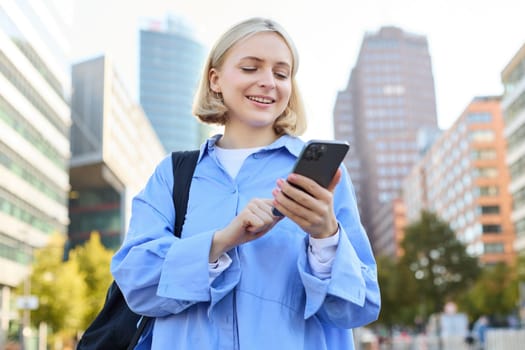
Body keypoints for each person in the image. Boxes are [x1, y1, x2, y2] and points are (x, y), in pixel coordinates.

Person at [111, 17, 380, 349]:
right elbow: (135, 283)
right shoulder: (173, 174)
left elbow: (359, 306)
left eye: (281, 74)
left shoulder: (322, 182)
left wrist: (325, 238)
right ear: (215, 80)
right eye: (251, 68)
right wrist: (221, 241)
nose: (268, 82)